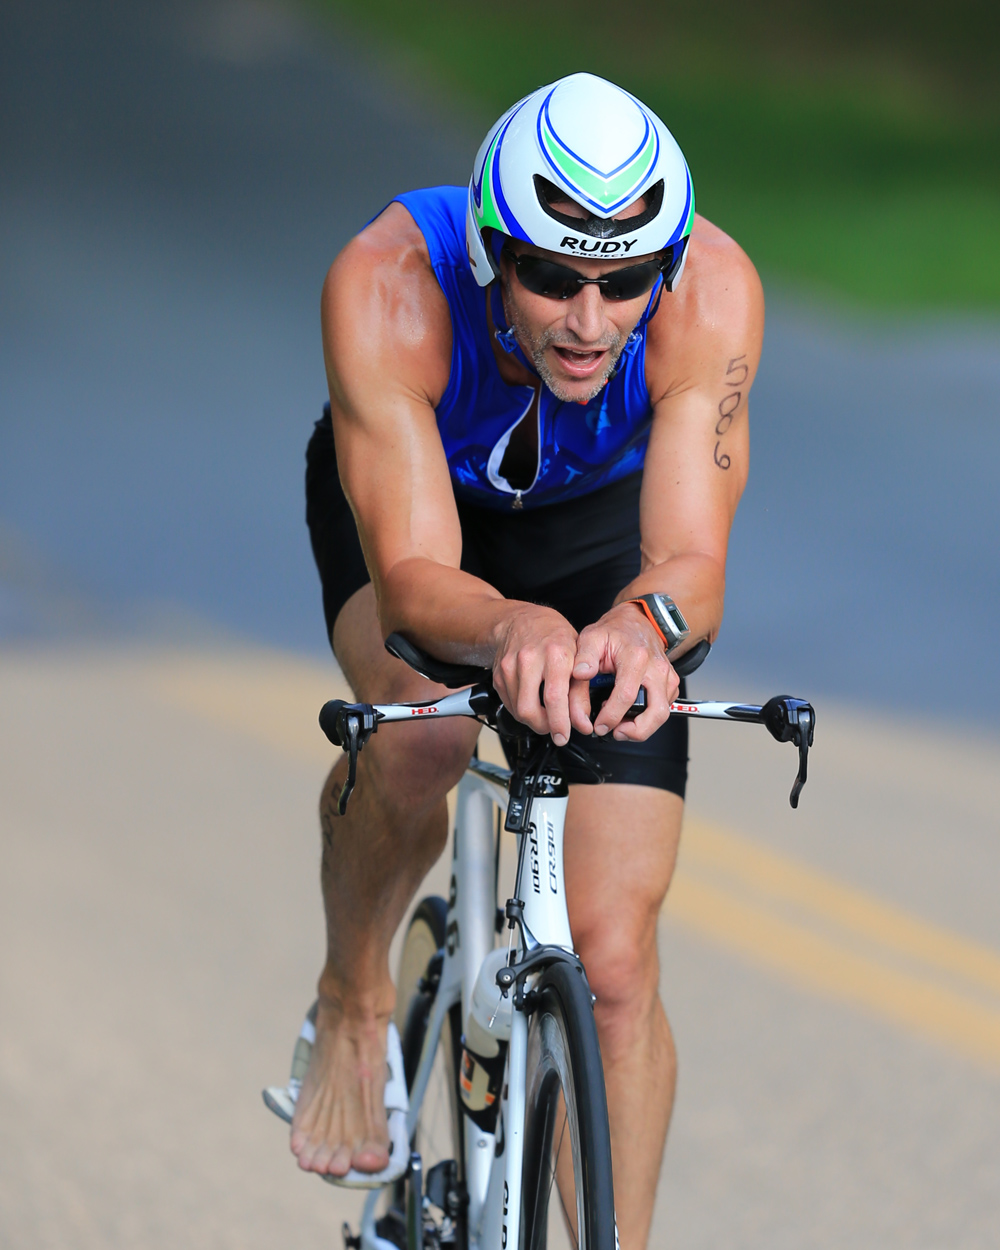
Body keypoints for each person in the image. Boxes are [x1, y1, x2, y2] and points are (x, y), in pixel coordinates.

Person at [293, 71, 762, 1250]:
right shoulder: (389, 282)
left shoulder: (711, 290)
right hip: (422, 512)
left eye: (620, 281)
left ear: (662, 265)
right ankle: (353, 988)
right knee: (428, 730)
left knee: (608, 963)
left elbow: (689, 561)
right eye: (551, 275)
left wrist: (636, 629)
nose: (587, 320)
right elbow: (411, 579)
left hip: (599, 538)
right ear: (492, 253)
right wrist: (511, 629)